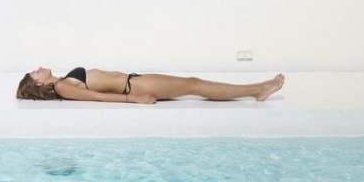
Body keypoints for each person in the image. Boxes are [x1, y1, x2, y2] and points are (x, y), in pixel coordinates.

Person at [17, 67, 285, 104]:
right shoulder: (63, 87)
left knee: (194, 84)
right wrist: (134, 99)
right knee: (195, 85)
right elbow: (97, 97)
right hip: (133, 88)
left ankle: (258, 86)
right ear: (38, 82)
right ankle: (256, 90)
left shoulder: (63, 80)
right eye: (34, 72)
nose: (38, 67)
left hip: (135, 80)